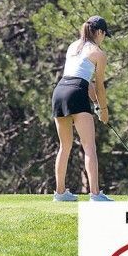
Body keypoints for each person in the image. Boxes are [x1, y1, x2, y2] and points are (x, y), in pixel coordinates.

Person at [50, 15, 112, 202]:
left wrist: (95, 105)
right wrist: (104, 111)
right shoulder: (99, 54)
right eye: (104, 35)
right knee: (89, 147)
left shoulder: (73, 46)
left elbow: (83, 82)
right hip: (76, 92)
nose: (103, 39)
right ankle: (95, 194)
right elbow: (99, 86)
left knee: (65, 146)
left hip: (60, 91)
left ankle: (60, 193)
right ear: (99, 32)